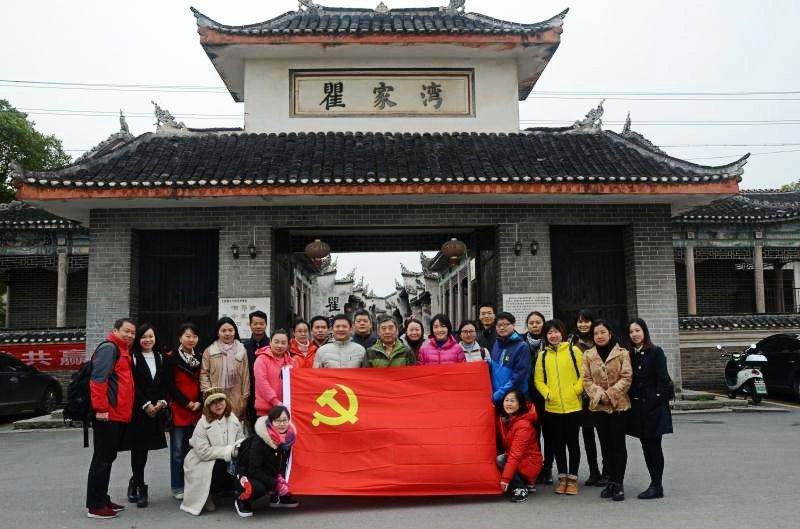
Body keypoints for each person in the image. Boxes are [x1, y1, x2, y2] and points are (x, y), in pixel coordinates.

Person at [85, 318, 136, 519]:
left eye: (133, 332)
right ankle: (95, 506)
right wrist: (100, 408)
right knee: (102, 460)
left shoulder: (123, 350)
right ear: (115, 330)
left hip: (118, 415)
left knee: (106, 458)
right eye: (126, 331)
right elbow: (98, 380)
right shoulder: (109, 348)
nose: (130, 335)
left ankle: (102, 498)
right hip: (108, 414)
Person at [583, 320, 632, 501]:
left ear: (610, 333)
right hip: (599, 408)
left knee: (618, 445)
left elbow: (627, 378)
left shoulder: (622, 353)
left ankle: (618, 484)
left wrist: (610, 394)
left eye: (603, 332)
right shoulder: (588, 355)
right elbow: (586, 379)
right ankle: (610, 481)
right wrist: (599, 394)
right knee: (605, 445)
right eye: (596, 333)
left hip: (619, 406)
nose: (600, 336)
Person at [534, 319, 583, 496]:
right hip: (552, 407)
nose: (553, 335)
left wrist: (576, 390)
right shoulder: (543, 355)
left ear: (562, 333)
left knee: (573, 443)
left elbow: (584, 374)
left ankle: (573, 478)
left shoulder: (573, 350)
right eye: (549, 333)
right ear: (545, 336)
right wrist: (547, 394)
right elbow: (538, 380)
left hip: (573, 406)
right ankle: (562, 478)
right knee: (558, 444)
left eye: (556, 332)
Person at [626, 318, 673, 500]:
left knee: (655, 447)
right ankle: (654, 484)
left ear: (644, 332)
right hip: (638, 409)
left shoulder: (655, 352)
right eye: (631, 332)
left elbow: (663, 380)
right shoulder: (631, 354)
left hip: (654, 409)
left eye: (637, 330)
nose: (635, 334)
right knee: (646, 447)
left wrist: (656, 400)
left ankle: (657, 485)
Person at [180, 388, 245, 516]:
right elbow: (204, 452)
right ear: (208, 406)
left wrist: (237, 449)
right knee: (216, 466)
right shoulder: (202, 424)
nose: (218, 404)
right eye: (213, 402)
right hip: (202, 461)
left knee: (240, 461)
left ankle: (231, 490)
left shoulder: (233, 419)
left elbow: (240, 439)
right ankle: (207, 495)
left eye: (220, 400)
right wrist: (228, 451)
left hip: (227, 456)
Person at [126, 323, 169, 508]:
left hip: (156, 410)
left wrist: (162, 402)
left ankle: (134, 480)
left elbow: (165, 383)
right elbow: (133, 385)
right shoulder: (132, 357)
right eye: (144, 337)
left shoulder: (160, 357)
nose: (147, 340)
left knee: (147, 450)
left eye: (151, 336)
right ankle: (140, 488)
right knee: (139, 451)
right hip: (139, 411)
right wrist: (145, 405)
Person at [235, 405, 299, 517]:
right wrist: (276, 484)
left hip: (269, 474)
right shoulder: (260, 441)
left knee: (289, 476)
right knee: (258, 488)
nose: (282, 424)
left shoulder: (288, 438)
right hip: (248, 474)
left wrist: (280, 478)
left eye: (285, 420)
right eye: (278, 421)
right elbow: (253, 470)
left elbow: (283, 462)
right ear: (271, 422)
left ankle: (278, 498)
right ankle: (241, 500)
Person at [164, 323, 203, 501]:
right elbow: (170, 386)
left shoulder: (201, 358)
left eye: (194, 336)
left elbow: (204, 382)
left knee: (194, 450)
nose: (191, 339)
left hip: (197, 410)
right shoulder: (171, 358)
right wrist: (187, 403)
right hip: (179, 409)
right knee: (178, 451)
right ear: (180, 337)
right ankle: (177, 485)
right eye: (187, 335)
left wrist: (200, 403)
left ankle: (192, 484)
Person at [569, 309, 605, 487]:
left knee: (605, 435)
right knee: (588, 435)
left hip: (602, 394)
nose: (583, 324)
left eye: (586, 321)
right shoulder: (571, 342)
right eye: (580, 321)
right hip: (582, 397)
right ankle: (594, 471)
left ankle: (608, 471)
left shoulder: (600, 339)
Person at [496, 389, 543, 503]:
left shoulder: (523, 425)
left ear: (520, 404)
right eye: (506, 400)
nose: (508, 403)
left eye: (512, 401)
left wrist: (505, 479)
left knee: (502, 459)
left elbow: (515, 454)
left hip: (529, 463)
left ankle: (521, 487)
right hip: (520, 460)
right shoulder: (506, 419)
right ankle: (523, 482)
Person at [200, 317, 250, 423]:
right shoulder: (210, 351)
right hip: (215, 399)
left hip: (236, 398)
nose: (227, 334)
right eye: (223, 331)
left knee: (234, 430)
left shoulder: (241, 351)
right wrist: (210, 395)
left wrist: (244, 399)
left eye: (230, 330)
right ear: (217, 333)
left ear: (235, 332)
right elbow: (204, 374)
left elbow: (246, 376)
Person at [523, 311, 551, 485]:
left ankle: (547, 469)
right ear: (527, 325)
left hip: (547, 395)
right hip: (528, 395)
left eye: (538, 322)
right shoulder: (520, 342)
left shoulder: (549, 341)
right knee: (533, 435)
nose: (535, 325)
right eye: (531, 322)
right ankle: (535, 467)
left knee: (549, 435)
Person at [489, 312, 531, 405]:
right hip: (497, 395)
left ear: (513, 325)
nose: (502, 328)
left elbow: (518, 376)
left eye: (505, 324)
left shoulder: (521, 346)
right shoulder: (497, 343)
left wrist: (500, 393)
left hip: (515, 397)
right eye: (499, 325)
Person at [254, 330, 296, 416]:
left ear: (288, 345)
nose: (279, 346)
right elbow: (262, 383)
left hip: (287, 410)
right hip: (266, 410)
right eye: (276, 342)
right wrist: (275, 401)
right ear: (270, 342)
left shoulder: (292, 362)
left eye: (283, 343)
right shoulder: (261, 360)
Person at [243, 311, 269, 428]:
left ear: (266, 325)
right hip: (251, 392)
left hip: (268, 392)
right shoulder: (244, 346)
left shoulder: (272, 345)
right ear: (250, 325)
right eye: (255, 323)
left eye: (261, 323)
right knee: (253, 426)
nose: (258, 326)